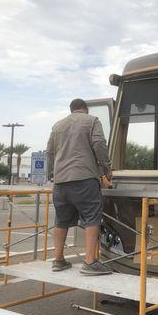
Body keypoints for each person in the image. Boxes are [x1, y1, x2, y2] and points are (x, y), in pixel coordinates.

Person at [46, 99, 112, 275]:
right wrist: (105, 168)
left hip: (60, 181)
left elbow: (50, 152)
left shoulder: (57, 125)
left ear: (71, 110)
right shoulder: (92, 121)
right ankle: (90, 262)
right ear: (86, 109)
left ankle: (58, 260)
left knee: (61, 219)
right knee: (92, 217)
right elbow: (99, 144)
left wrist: (59, 168)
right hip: (84, 178)